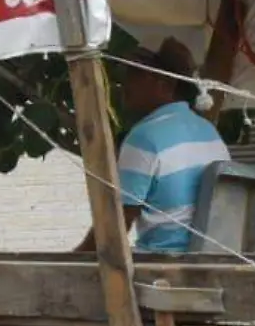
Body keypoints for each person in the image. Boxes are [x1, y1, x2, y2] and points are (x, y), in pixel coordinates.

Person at [75, 37, 229, 255]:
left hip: (161, 265)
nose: (125, 84)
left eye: (137, 75)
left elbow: (117, 223)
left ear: (165, 85)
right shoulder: (210, 132)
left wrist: (74, 258)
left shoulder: (144, 137)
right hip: (208, 260)